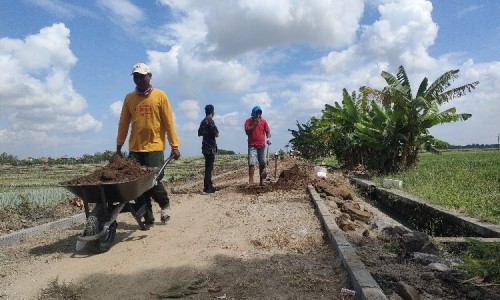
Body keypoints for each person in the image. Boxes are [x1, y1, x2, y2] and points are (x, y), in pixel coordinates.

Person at [116, 63, 181, 224]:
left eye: (142, 75)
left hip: (155, 146)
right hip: (135, 148)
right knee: (135, 185)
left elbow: (169, 123)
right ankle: (147, 215)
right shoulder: (129, 98)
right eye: (136, 76)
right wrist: (119, 146)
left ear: (149, 76)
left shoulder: (160, 96)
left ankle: (164, 204)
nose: (139, 79)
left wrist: (175, 145)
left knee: (152, 180)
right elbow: (123, 123)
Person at [244, 106, 271, 186]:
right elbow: (247, 131)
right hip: (252, 146)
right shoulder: (248, 121)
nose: (258, 115)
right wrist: (254, 124)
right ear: (254, 114)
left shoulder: (263, 121)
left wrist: (268, 138)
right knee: (252, 163)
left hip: (261, 146)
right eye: (257, 113)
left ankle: (262, 181)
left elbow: (268, 131)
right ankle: (251, 181)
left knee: (262, 163)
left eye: (259, 113)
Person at [198, 104, 219, 194]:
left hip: (205, 147)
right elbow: (216, 133)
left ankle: (209, 186)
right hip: (210, 148)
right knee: (209, 168)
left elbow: (199, 133)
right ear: (212, 112)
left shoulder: (203, 122)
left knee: (208, 167)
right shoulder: (210, 121)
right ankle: (207, 188)